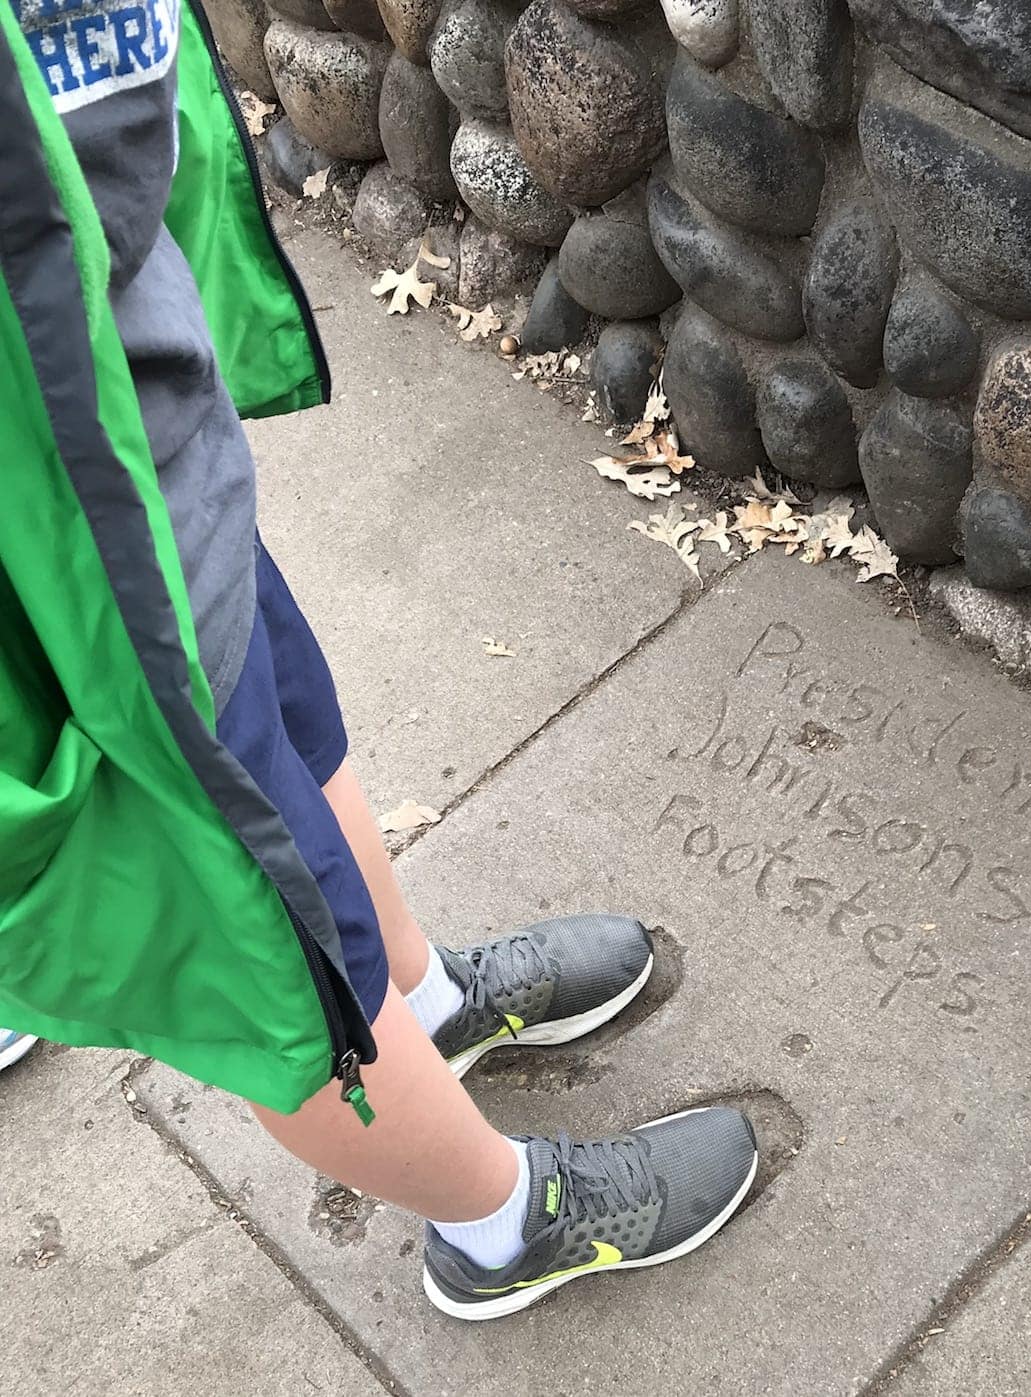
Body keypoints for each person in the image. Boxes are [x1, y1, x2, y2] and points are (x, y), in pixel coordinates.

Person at [0, 0, 755, 1320]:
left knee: (293, 719)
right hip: (65, 577)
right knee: (268, 957)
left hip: (135, 453)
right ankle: (498, 1222)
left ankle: (426, 996)